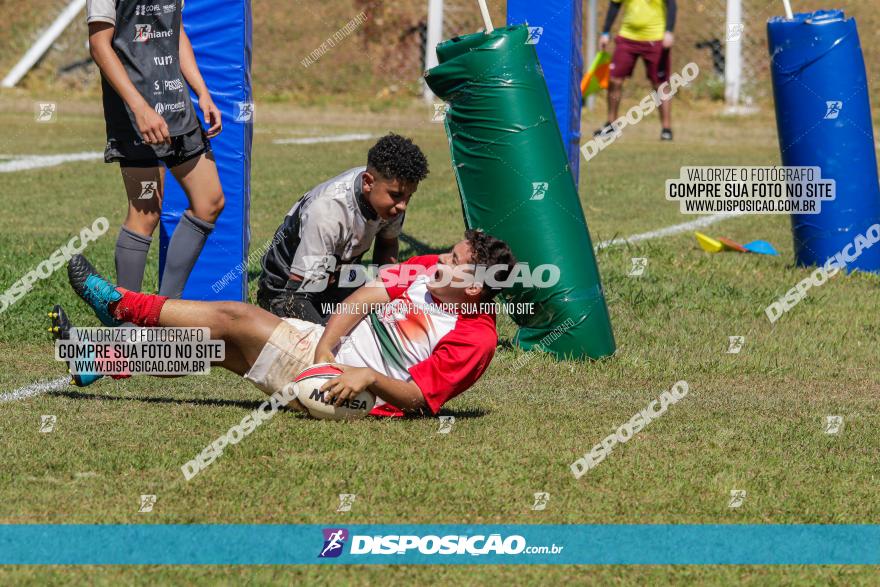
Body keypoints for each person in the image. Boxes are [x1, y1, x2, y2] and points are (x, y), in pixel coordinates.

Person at [60, 230, 517, 416]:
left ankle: (121, 305)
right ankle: (100, 357)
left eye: (454, 262)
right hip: (327, 357)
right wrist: (325, 351)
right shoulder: (423, 271)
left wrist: (365, 377)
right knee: (220, 350)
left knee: (236, 317)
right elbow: (362, 299)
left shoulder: (476, 338)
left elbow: (420, 399)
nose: (440, 260)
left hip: (351, 398)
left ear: (474, 288)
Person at [87, 0, 225, 298]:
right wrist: (139, 107)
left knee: (209, 201)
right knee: (145, 212)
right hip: (135, 113)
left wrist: (202, 91)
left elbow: (174, 32)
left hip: (176, 106)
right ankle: (126, 322)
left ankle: (163, 311)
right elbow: (99, 45)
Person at [257, 133, 429, 324]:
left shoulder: (387, 199)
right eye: (396, 195)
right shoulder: (327, 212)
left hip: (334, 282)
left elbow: (387, 244)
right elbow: (294, 298)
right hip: (286, 292)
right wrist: (330, 334)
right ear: (368, 183)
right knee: (339, 344)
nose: (403, 205)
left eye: (409, 197)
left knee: (408, 304)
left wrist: (385, 295)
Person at [596, 0, 678, 141]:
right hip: (627, 38)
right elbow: (615, 5)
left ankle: (666, 129)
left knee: (660, 84)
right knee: (614, 80)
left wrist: (669, 31)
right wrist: (605, 32)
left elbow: (671, 5)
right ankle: (611, 125)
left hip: (656, 38)